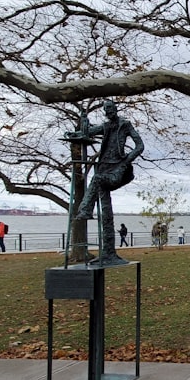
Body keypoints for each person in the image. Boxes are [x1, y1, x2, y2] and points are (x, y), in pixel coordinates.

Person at [67, 100, 144, 266]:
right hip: (103, 169)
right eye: (105, 109)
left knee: (96, 180)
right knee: (106, 212)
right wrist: (83, 123)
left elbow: (140, 146)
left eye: (110, 108)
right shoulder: (106, 126)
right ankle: (108, 251)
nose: (108, 111)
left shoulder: (125, 125)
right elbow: (89, 132)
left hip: (118, 169)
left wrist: (126, 161)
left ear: (115, 109)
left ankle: (86, 210)